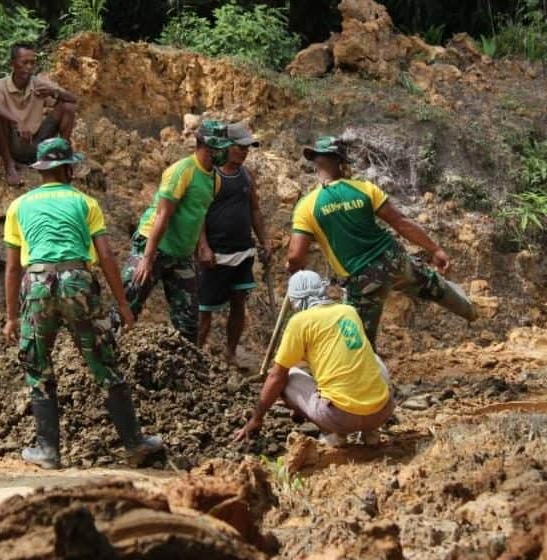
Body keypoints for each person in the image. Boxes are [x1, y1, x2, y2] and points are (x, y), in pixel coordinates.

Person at [3, 137, 163, 470]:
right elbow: (105, 255)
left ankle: (48, 450)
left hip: (35, 285)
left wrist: (10, 316)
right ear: (66, 168)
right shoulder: (85, 202)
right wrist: (122, 304)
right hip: (77, 281)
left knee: (38, 366)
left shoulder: (19, 205)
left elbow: (13, 266)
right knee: (104, 363)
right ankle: (134, 444)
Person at [287, 136, 476, 348]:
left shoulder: (307, 205)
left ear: (316, 164)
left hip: (363, 279)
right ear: (342, 163)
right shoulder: (365, 189)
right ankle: (470, 310)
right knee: (428, 283)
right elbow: (400, 222)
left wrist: (293, 267)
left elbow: (296, 255)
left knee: (359, 340)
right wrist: (435, 249)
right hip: (392, 258)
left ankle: (366, 373)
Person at [234, 270, 395, 448]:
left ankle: (333, 435)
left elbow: (277, 377)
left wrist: (256, 418)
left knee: (287, 376)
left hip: (340, 418)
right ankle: (371, 433)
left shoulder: (300, 321)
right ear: (322, 290)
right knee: (372, 358)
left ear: (295, 300)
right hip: (382, 411)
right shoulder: (348, 311)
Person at [120, 120, 234, 344]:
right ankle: (110, 356)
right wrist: (147, 259)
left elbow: (198, 212)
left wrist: (201, 245)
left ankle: (187, 370)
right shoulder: (182, 171)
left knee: (188, 320)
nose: (223, 153)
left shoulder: (215, 179)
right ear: (204, 145)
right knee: (129, 302)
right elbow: (163, 216)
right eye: (218, 147)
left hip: (181, 255)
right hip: (154, 245)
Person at [196, 122, 272, 363]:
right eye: (240, 147)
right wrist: (203, 246)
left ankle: (230, 352)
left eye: (248, 147)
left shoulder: (247, 176)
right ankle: (195, 355)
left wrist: (265, 240)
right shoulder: (211, 175)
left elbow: (256, 211)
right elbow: (197, 214)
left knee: (239, 302)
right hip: (216, 255)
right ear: (226, 146)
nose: (245, 151)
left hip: (243, 252)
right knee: (204, 310)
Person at [0, 42, 78, 186]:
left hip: (36, 143)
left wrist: (53, 92)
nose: (29, 67)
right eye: (24, 62)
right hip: (12, 144)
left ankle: (62, 157)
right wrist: (17, 121)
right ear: (12, 63)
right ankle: (9, 165)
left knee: (67, 106)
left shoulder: (39, 83)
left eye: (32, 63)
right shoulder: (0, 85)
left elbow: (73, 100)